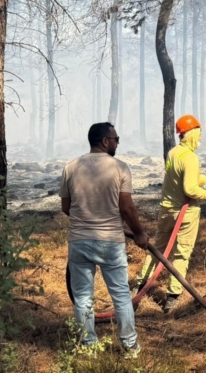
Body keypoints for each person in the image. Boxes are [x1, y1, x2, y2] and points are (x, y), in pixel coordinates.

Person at [59, 122, 148, 358]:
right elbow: (127, 208)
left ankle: (89, 348)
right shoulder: (120, 168)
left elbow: (66, 207)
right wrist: (139, 234)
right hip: (110, 241)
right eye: (116, 139)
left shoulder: (70, 167)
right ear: (105, 141)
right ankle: (130, 347)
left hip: (79, 241)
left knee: (82, 298)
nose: (118, 143)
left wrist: (87, 219)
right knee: (120, 295)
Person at [136, 114, 206, 313]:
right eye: (199, 135)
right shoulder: (191, 158)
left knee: (157, 249)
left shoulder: (174, 153)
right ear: (192, 134)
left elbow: (183, 176)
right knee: (181, 254)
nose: (200, 139)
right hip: (186, 214)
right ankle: (172, 298)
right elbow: (190, 190)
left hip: (167, 210)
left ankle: (139, 286)